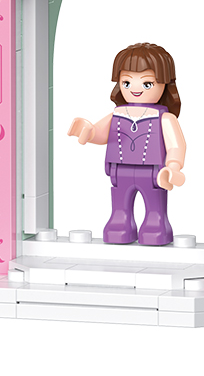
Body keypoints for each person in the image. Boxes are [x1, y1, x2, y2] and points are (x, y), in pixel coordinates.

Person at [67, 42, 186, 246]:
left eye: (147, 83)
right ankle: (120, 223)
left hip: (152, 172)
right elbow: (101, 134)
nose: (135, 89)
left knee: (154, 208)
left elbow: (176, 145)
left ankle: (156, 225)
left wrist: (173, 166)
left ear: (165, 84)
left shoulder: (165, 118)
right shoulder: (117, 114)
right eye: (127, 82)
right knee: (120, 205)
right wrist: (89, 131)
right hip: (119, 170)